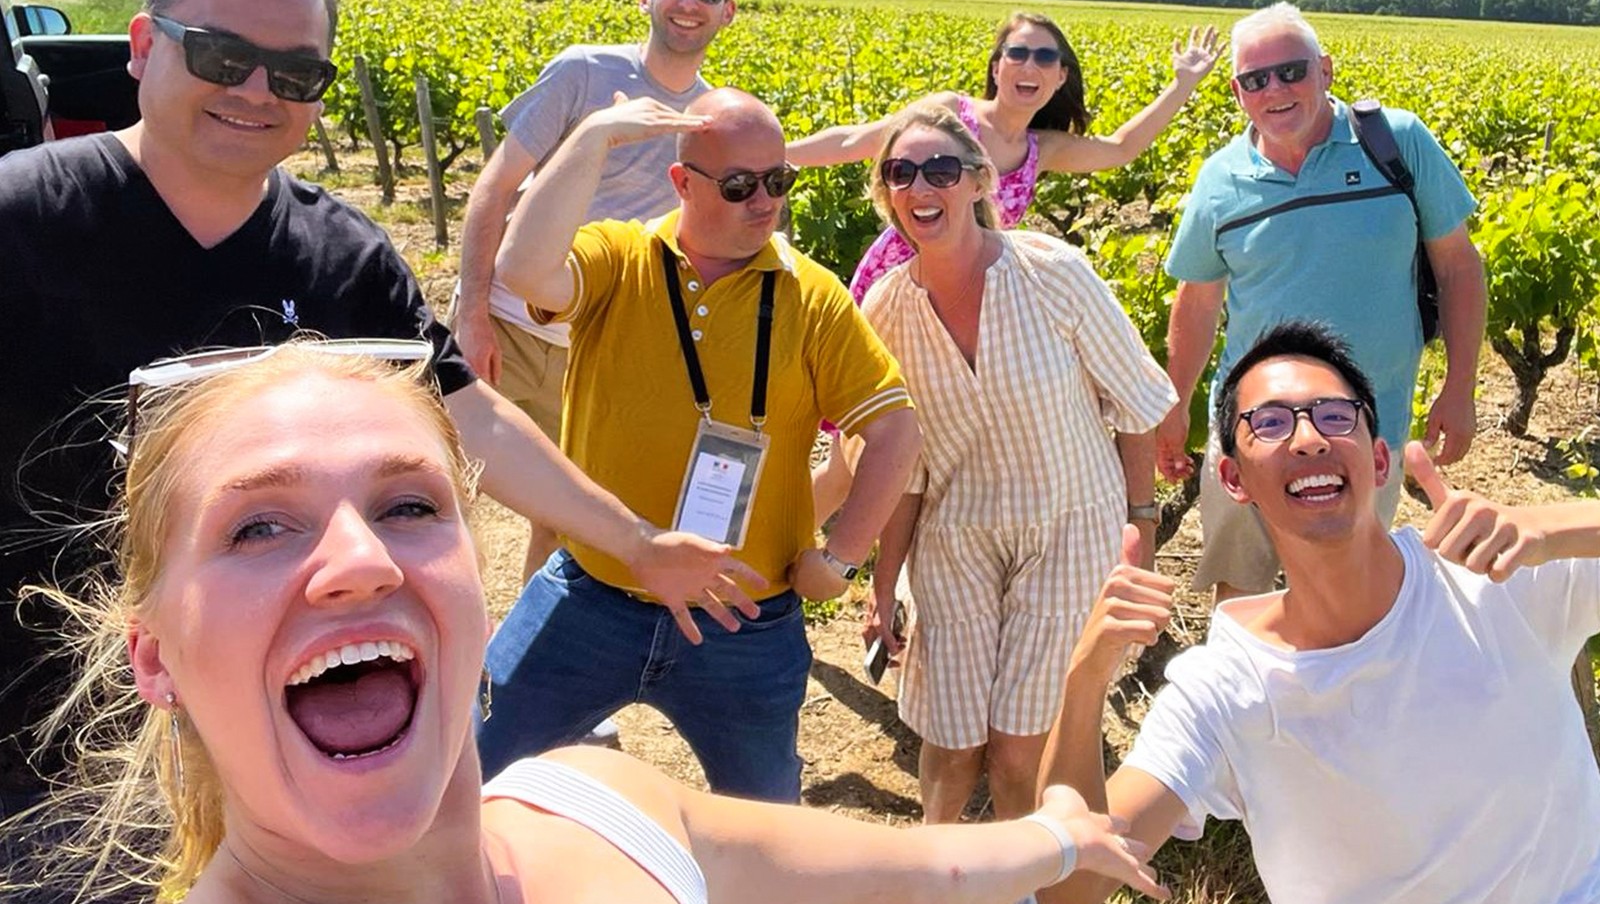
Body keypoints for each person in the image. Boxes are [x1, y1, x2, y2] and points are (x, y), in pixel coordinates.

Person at [0, 0, 744, 824]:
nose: (254, 90)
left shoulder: (342, 259)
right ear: (145, 45)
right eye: (221, 55)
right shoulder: (23, 220)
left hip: (277, 718)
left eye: (295, 74)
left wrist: (637, 544)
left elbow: (474, 417)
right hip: (44, 731)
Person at [0, 343, 1172, 903]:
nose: (356, 562)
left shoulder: (602, 801)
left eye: (408, 504)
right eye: (259, 528)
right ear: (152, 656)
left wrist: (1063, 833)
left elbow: (937, 864)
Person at [1040, 321, 1600, 904]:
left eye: (1335, 416)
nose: (1308, 438)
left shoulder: (1495, 577)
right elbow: (1073, 888)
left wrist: (1553, 526)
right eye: (1271, 423)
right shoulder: (1226, 691)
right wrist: (1085, 679)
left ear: (1379, 461)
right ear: (1233, 478)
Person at [479, 87, 923, 802]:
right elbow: (524, 271)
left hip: (744, 617)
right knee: (475, 773)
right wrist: (592, 136)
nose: (766, 201)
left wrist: (839, 558)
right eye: (742, 184)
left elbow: (896, 428)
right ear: (682, 183)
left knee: (765, 822)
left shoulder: (812, 295)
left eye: (779, 181)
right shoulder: (618, 256)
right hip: (595, 594)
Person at [856, 103, 1176, 824]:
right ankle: (936, 877)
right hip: (955, 538)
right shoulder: (886, 308)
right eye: (900, 173)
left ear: (977, 183)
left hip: (1069, 528)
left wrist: (1141, 535)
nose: (919, 187)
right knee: (949, 744)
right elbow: (902, 465)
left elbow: (1135, 403)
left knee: (1017, 752)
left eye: (940, 169)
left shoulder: (1051, 273)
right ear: (886, 194)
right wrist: (882, 584)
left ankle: (1021, 881)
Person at [791, 12, 1218, 516]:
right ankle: (778, 554)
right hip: (898, 285)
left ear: (1060, 77)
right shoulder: (952, 116)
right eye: (1017, 52)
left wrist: (1182, 85)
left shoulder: (1040, 149)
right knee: (855, 443)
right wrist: (766, 154)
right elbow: (855, 141)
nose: (1028, 64)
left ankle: (837, 558)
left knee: (911, 438)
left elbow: (1122, 148)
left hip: (963, 302)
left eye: (1045, 56)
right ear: (997, 68)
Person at [1155, 2, 1486, 604]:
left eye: (1291, 71)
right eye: (1255, 80)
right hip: (1252, 427)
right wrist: (1174, 404)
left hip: (1367, 424)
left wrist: (1460, 386)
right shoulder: (1219, 179)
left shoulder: (1396, 142)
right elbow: (1197, 304)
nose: (1274, 90)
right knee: (1242, 590)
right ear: (1237, 93)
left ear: (1326, 70)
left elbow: (1460, 267)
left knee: (1352, 587)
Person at [453, 0, 737, 581]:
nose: (690, 1)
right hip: (508, 326)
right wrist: (472, 315)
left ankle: (518, 672)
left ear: (728, 13)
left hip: (590, 344)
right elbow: (494, 189)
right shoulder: (583, 72)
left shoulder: (713, 116)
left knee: (561, 519)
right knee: (445, 497)